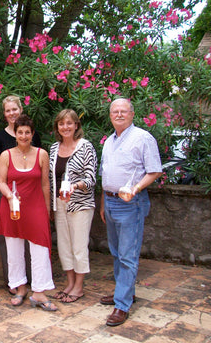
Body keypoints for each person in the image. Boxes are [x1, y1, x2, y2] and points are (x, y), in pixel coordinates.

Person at [99, 98, 162, 326]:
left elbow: (154, 171)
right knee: (116, 253)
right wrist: (104, 203)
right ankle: (125, 293)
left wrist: (135, 188)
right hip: (111, 201)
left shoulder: (142, 138)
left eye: (123, 111)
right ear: (110, 115)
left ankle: (122, 305)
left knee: (127, 255)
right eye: (114, 111)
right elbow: (106, 174)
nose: (118, 114)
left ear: (132, 114)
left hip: (130, 203)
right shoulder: (109, 141)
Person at [0, 114, 57, 311]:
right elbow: (1, 182)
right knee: (13, 251)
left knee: (40, 250)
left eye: (27, 132)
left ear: (32, 134)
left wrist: (47, 210)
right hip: (12, 207)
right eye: (20, 132)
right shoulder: (6, 155)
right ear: (15, 134)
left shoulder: (42, 154)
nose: (23, 136)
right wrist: (9, 196)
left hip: (35, 207)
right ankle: (20, 287)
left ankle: (39, 291)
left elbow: (46, 184)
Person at [0, 95, 41, 293]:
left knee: (29, 234)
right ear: (4, 114)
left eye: (15, 109)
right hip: (7, 194)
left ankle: (28, 277)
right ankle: (13, 281)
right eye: (8, 110)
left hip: (30, 194)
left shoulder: (32, 134)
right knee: (8, 238)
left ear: (21, 110)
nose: (12, 113)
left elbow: (38, 162)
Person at [49, 109, 97, 303]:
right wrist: (52, 204)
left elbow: (91, 178)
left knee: (78, 246)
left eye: (69, 123)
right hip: (59, 204)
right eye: (61, 124)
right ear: (57, 127)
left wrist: (74, 187)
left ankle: (78, 287)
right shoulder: (54, 148)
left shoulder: (86, 147)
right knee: (64, 246)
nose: (65, 127)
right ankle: (69, 283)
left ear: (76, 125)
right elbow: (51, 178)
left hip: (80, 204)